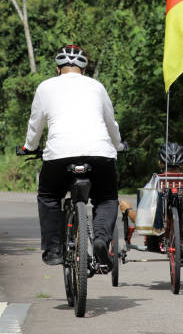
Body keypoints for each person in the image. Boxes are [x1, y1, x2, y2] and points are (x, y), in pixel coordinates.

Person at [23, 44, 126, 267]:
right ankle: (100, 239)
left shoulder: (45, 87)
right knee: (107, 199)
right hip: (99, 154)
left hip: (59, 155)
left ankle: (53, 250)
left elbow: (35, 124)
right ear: (84, 70)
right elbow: (110, 123)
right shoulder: (97, 87)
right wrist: (118, 145)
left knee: (49, 197)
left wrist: (29, 147)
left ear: (58, 68)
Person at [119, 142, 183, 229]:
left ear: (160, 163)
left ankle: (127, 209)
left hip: (156, 236)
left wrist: (129, 210)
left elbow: (141, 221)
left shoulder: (153, 183)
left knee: (125, 204)